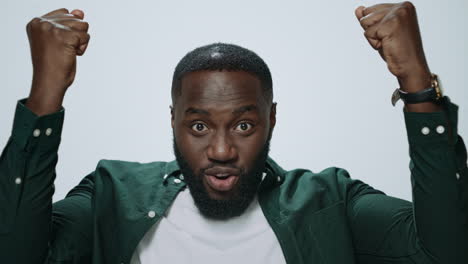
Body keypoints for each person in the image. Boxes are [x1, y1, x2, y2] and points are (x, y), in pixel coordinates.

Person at [0, 2, 467, 263]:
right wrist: (45, 98)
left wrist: (418, 88)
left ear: (272, 119)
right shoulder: (112, 194)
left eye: (244, 125)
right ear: (173, 120)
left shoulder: (330, 200)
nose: (221, 150)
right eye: (199, 125)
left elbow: (447, 252)